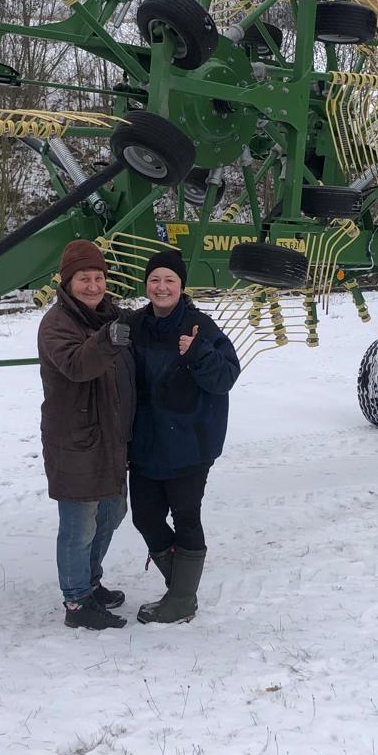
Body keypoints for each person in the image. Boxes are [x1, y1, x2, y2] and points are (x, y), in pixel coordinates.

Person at [129, 249, 240, 624]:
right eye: (154, 280)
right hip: (145, 443)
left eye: (169, 280)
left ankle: (180, 600)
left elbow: (225, 378)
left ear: (181, 286)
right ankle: (181, 590)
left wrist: (198, 353)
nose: (161, 287)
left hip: (190, 443)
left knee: (186, 518)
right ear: (146, 285)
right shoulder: (134, 326)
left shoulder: (200, 327)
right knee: (145, 518)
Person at [38, 239, 135, 630]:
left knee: (112, 513)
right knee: (79, 527)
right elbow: (78, 365)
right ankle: (77, 603)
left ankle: (90, 583)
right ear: (68, 282)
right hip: (75, 440)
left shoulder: (109, 315)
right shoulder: (57, 324)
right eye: (84, 279)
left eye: (98, 278)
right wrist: (108, 340)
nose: (93, 286)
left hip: (111, 436)